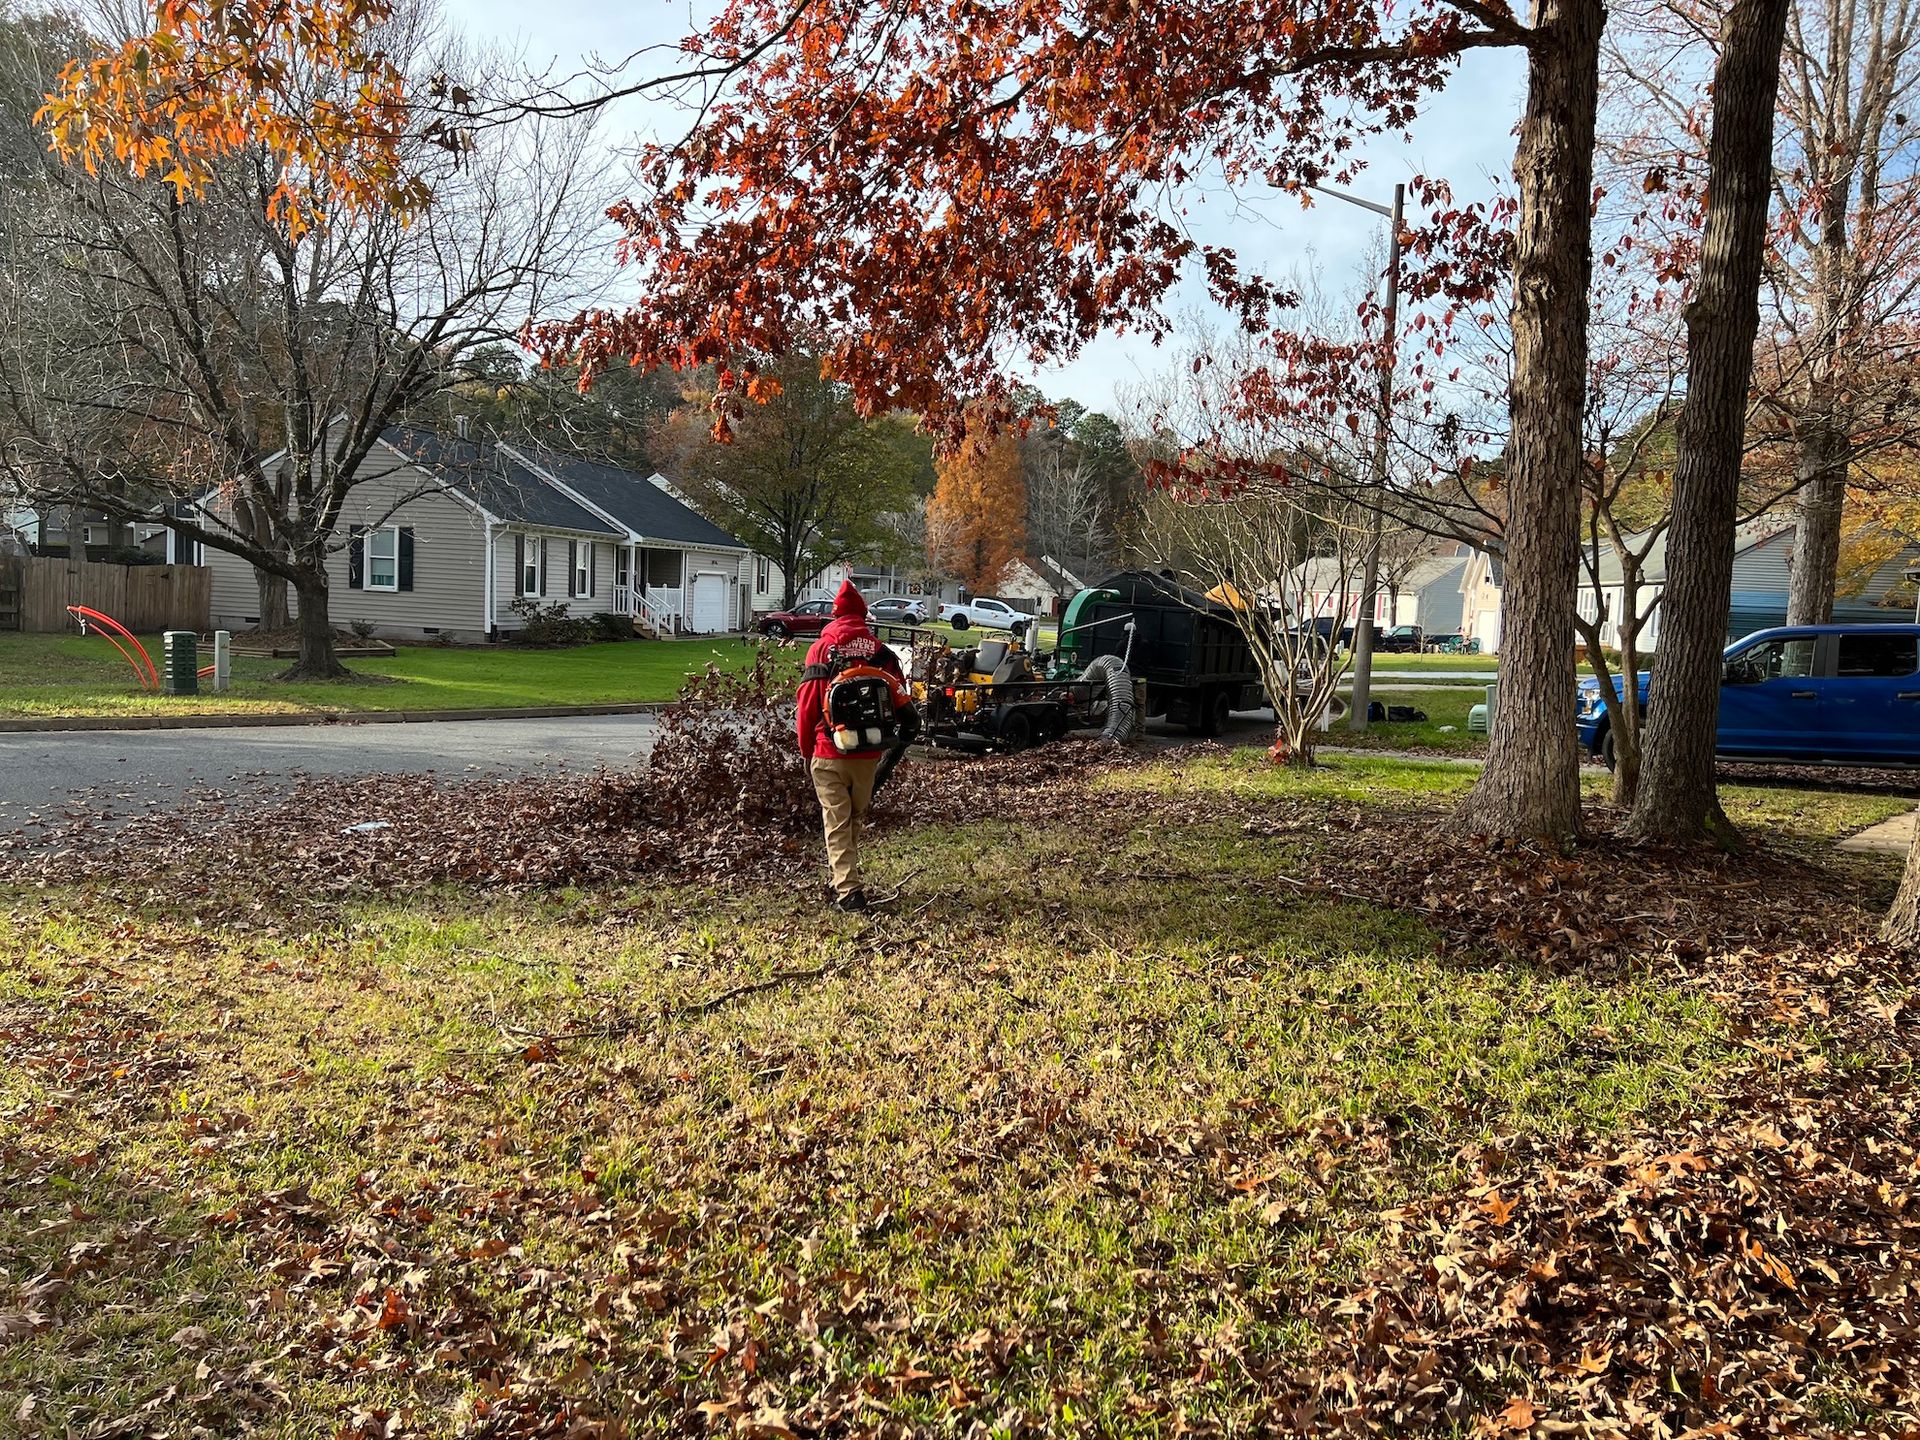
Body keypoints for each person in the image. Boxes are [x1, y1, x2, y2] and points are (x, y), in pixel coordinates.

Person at [796, 580, 916, 910]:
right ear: (864, 615)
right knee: (854, 818)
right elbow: (900, 700)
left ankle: (848, 892)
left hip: (829, 748)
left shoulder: (821, 650)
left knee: (836, 821)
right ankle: (842, 875)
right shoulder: (881, 653)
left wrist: (806, 750)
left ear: (835, 615)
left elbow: (807, 705)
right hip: (869, 753)